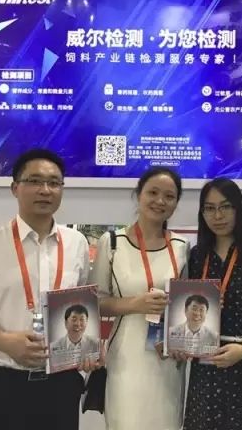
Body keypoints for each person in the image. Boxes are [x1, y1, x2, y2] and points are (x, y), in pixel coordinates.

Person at [0, 148, 99, 430]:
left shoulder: (77, 244)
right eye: (34, 181)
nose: (45, 190)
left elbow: (81, 305)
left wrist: (84, 350)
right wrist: (5, 341)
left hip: (60, 386)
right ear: (15, 188)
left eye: (54, 183)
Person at [90, 167, 189, 430]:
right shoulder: (112, 242)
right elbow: (95, 303)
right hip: (126, 357)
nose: (160, 201)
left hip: (167, 359)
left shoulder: (182, 247)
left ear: (176, 203)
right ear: (138, 195)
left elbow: (187, 302)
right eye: (153, 192)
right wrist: (134, 304)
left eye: (169, 196)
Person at [184, 177, 242, 430]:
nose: (217, 216)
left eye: (225, 207)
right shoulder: (196, 256)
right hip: (204, 368)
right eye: (209, 208)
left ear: (238, 209)